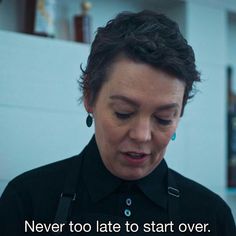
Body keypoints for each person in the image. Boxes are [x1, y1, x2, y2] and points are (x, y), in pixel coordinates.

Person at [0, 10, 235, 236]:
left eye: (163, 118)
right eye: (124, 113)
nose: (142, 135)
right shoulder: (27, 201)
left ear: (179, 114)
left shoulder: (210, 216)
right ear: (89, 97)